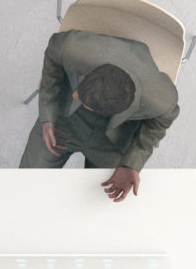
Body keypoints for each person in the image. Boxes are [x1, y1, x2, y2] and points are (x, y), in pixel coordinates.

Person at [21, 30, 180, 201]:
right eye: (80, 94)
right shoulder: (70, 48)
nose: (76, 95)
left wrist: (131, 164)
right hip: (65, 119)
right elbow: (52, 59)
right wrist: (48, 114)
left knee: (102, 204)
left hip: (115, 139)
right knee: (25, 184)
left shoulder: (161, 101)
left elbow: (160, 123)